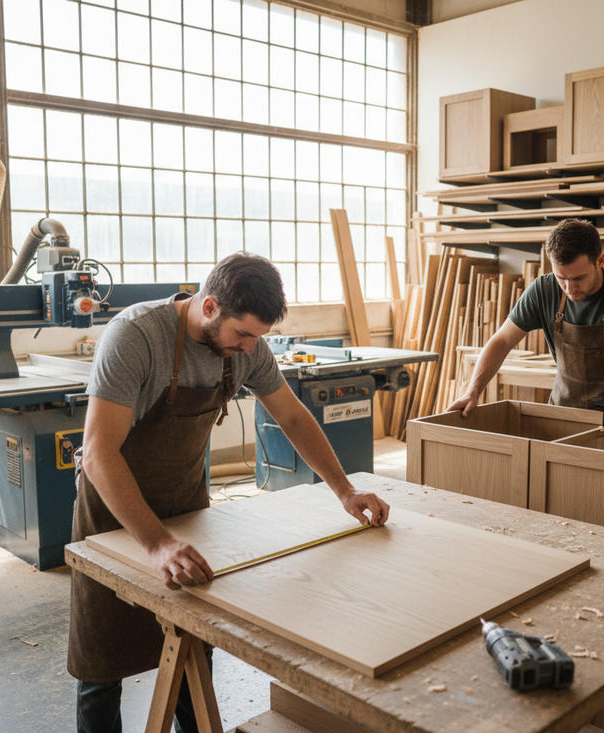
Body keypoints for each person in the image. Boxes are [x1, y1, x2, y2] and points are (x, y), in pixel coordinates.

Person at [68, 251, 390, 733]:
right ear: (211, 306)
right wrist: (156, 544)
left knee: (193, 640)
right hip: (114, 512)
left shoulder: (247, 348)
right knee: (102, 660)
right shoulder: (136, 336)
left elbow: (294, 417)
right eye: (243, 335)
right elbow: (98, 454)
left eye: (258, 338)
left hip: (186, 504)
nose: (249, 349)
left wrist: (345, 490)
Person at [448, 218, 604, 422]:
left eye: (579, 277)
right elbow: (501, 341)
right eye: (561, 278)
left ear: (600, 260)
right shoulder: (543, 290)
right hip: (562, 413)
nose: (570, 289)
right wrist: (472, 391)